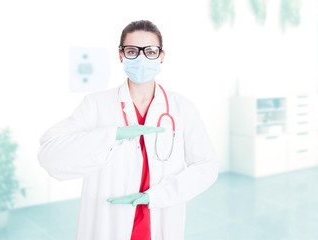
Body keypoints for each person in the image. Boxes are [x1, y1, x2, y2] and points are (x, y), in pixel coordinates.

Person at [38, 20, 218, 240]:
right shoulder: (96, 105)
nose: (141, 58)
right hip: (108, 223)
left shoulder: (182, 108)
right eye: (132, 51)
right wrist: (109, 137)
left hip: (159, 218)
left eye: (150, 51)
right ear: (121, 55)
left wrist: (158, 196)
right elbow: (49, 153)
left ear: (162, 56)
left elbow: (206, 166)